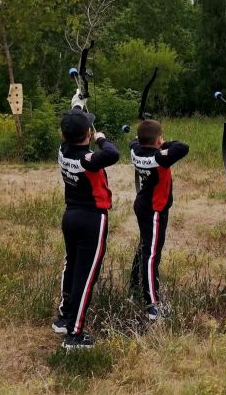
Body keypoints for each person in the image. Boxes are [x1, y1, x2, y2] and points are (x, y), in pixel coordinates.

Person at [52, 94, 119, 349]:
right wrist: (101, 137)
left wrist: (77, 104)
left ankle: (64, 317)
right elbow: (112, 153)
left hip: (70, 216)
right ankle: (75, 333)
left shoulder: (63, 151)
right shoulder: (88, 160)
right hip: (92, 219)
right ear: (88, 134)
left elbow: (72, 127)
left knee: (71, 265)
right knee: (86, 275)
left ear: (63, 135)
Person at [128, 119, 189, 320]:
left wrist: (150, 141)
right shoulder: (159, 158)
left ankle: (134, 287)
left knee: (145, 246)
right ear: (157, 140)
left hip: (143, 205)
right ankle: (152, 304)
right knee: (152, 254)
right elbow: (182, 147)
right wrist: (163, 143)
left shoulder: (135, 150)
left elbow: (134, 142)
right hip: (154, 210)